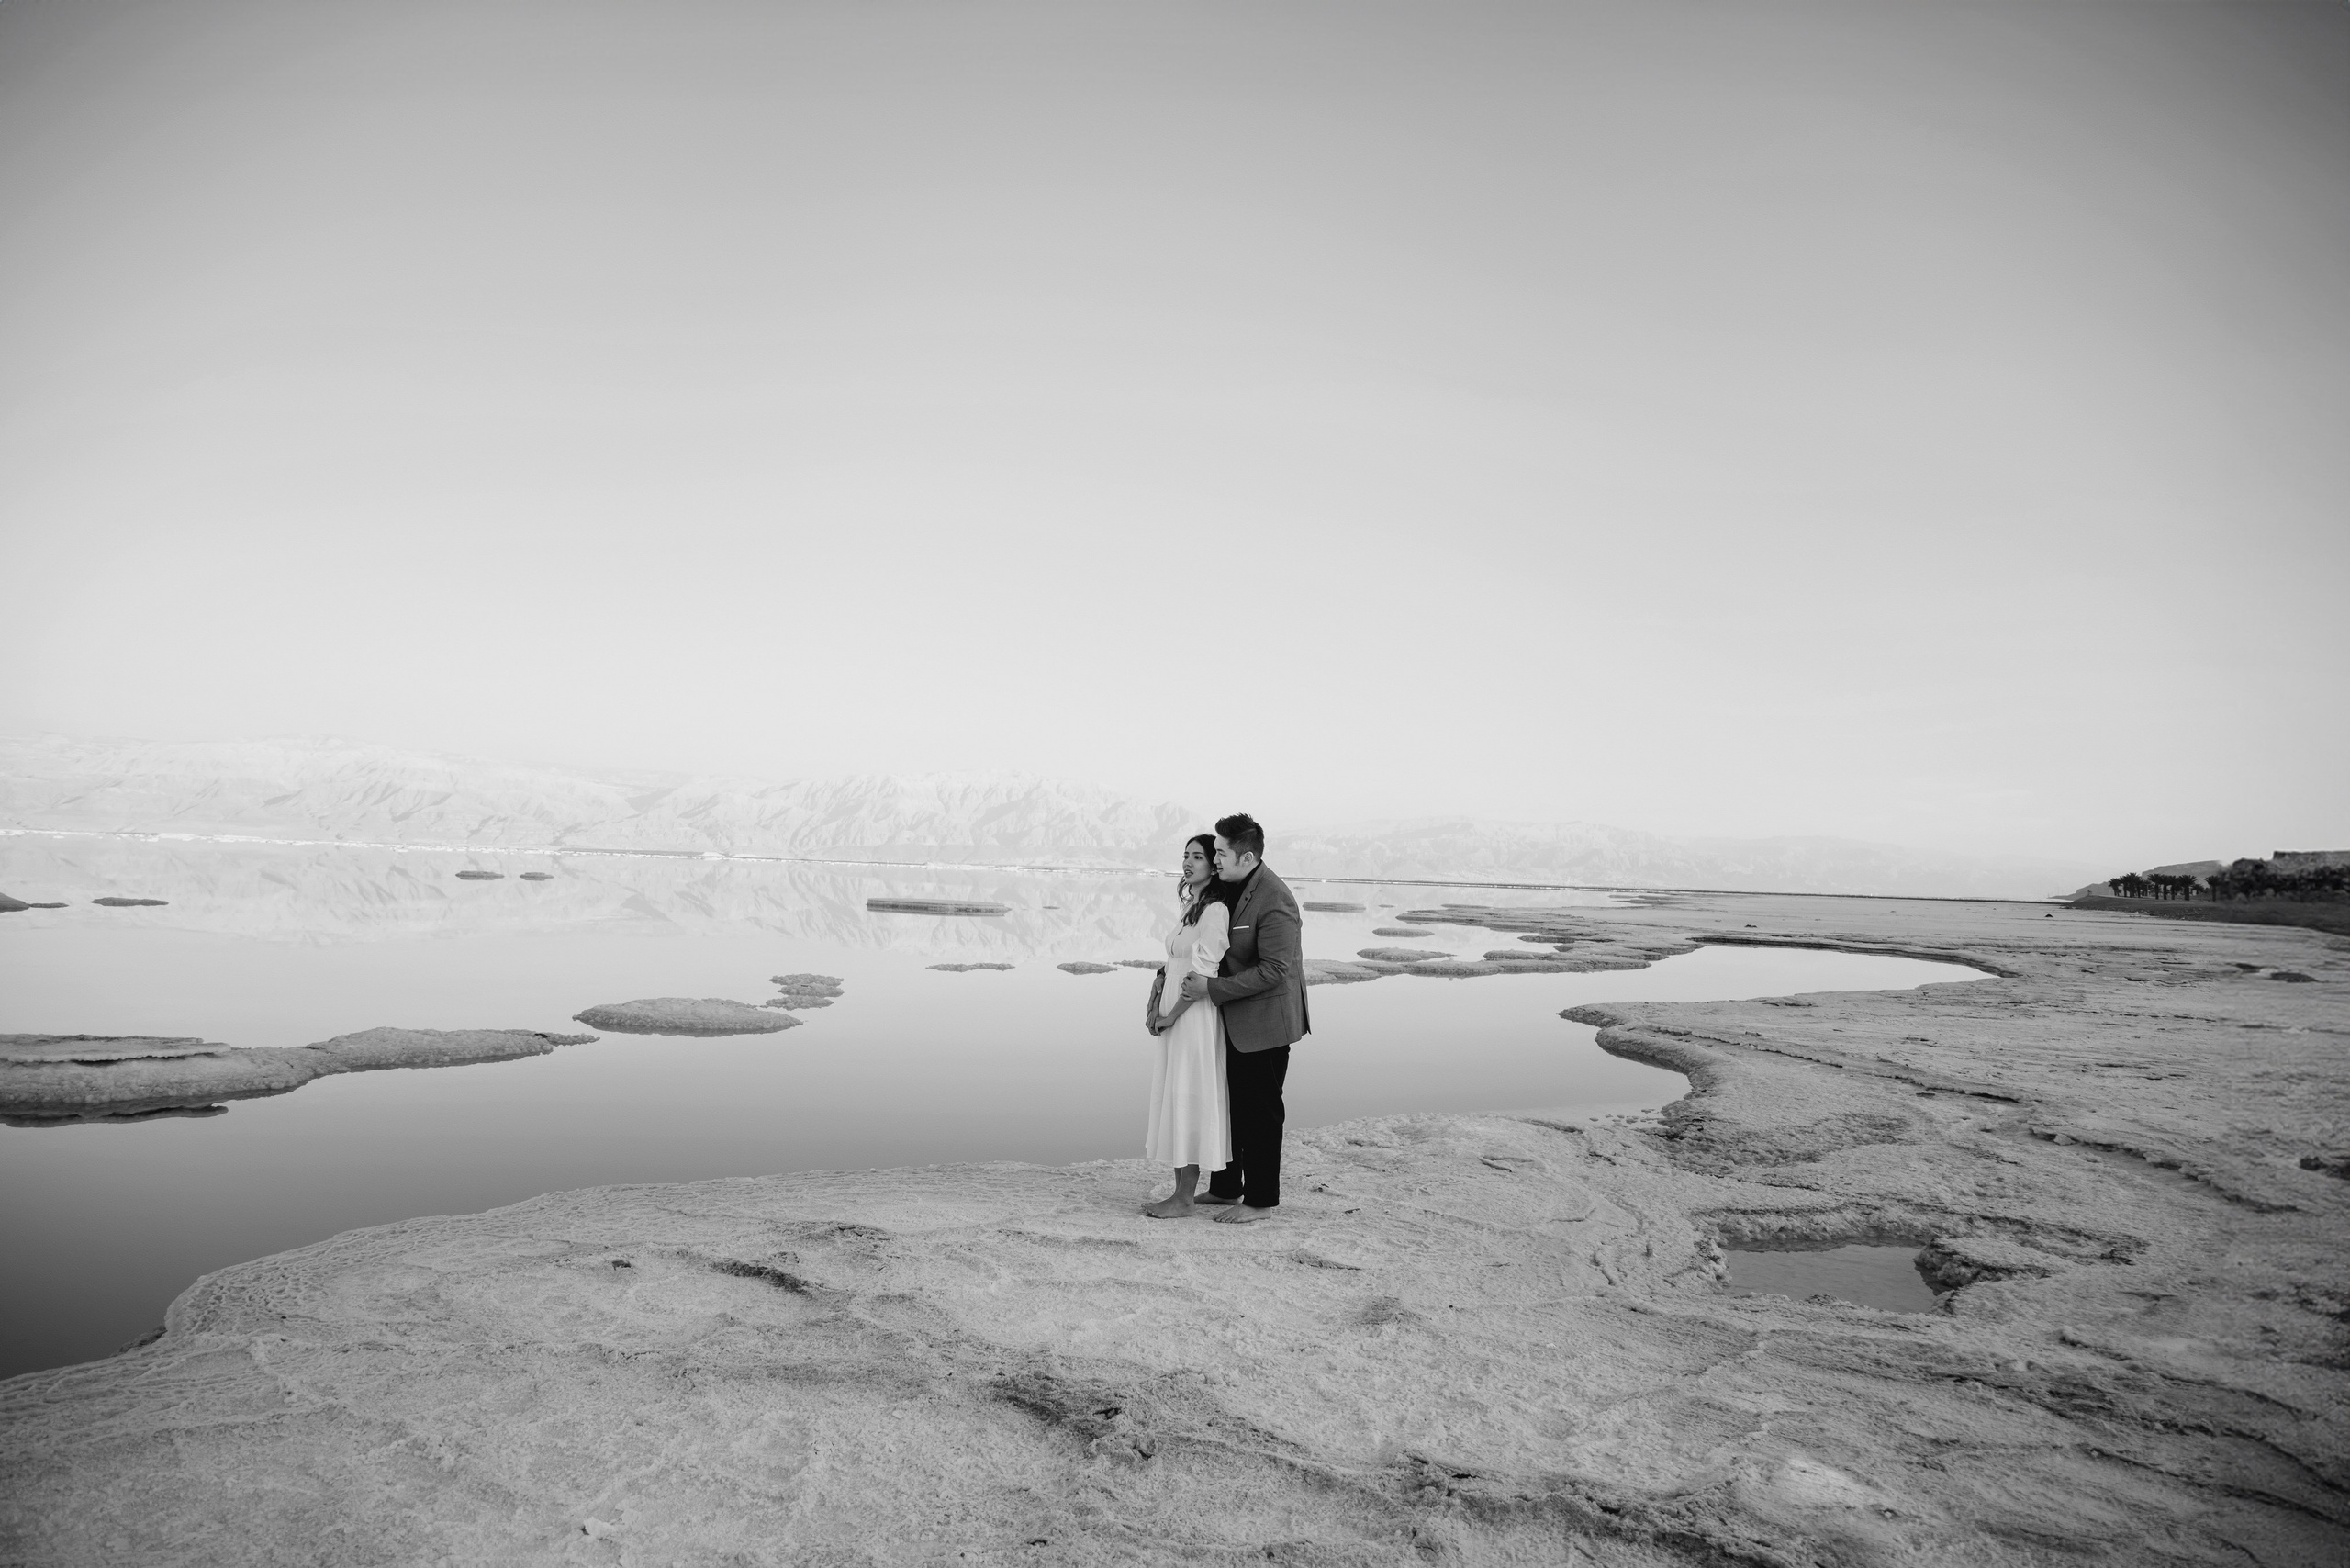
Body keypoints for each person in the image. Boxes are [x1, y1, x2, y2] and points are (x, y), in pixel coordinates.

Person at [1179, 812, 1309, 1223]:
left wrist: (1210, 989)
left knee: (1261, 1114)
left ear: (1247, 856)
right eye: (1213, 852)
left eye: (1220, 853)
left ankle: (1260, 1202)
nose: (1215, 860)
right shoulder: (1235, 887)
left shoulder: (1275, 898)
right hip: (1233, 1019)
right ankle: (1226, 1188)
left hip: (1266, 1023)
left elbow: (1275, 969)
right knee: (1230, 1106)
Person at [1139, 834, 1233, 1218]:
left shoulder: (1216, 912)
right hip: (1174, 1006)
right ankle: (1181, 1193)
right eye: (1185, 856)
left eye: (1198, 856)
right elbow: (1175, 962)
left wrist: (1170, 1016)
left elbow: (1202, 974)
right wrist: (1156, 991)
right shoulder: (1193, 905)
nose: (1188, 862)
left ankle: (1184, 1198)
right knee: (1175, 1093)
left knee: (1189, 1095)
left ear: (1215, 865)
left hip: (1192, 1016)